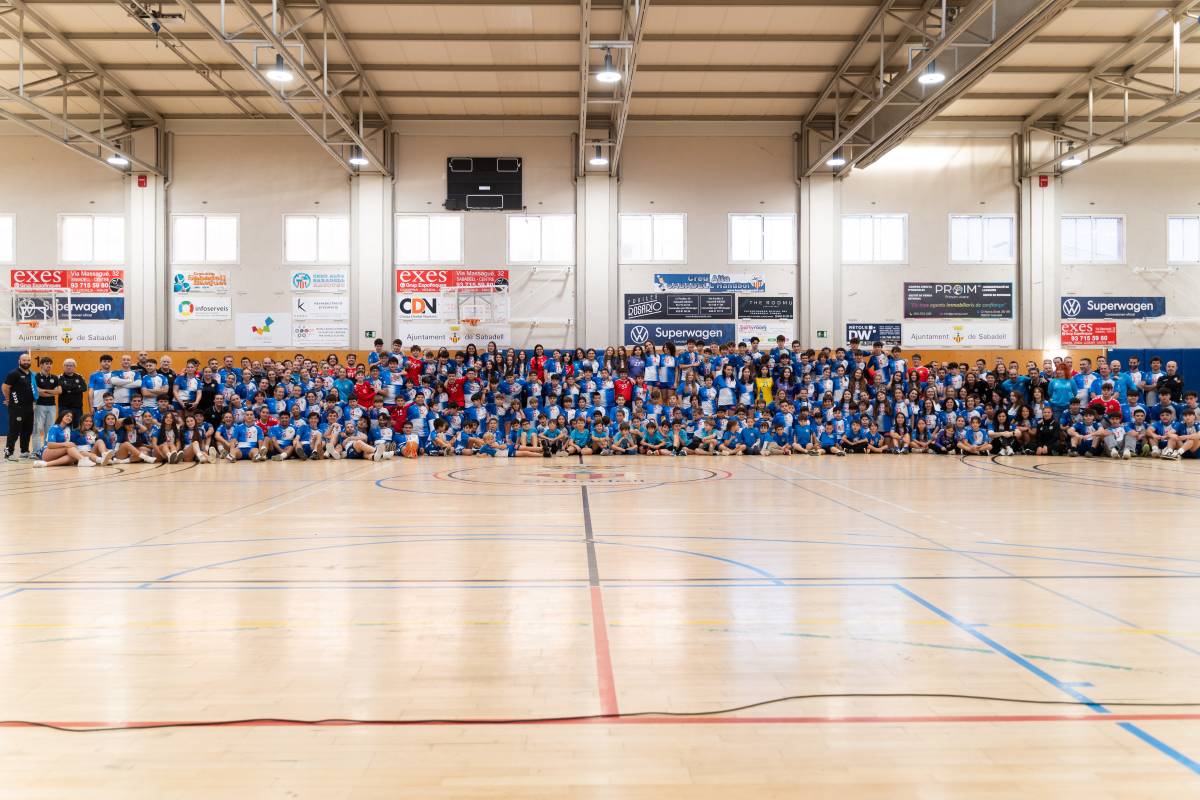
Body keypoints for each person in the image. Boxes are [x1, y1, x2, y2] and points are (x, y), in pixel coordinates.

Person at [3, 353, 37, 460]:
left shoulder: (31, 374)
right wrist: (9, 400)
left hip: (29, 407)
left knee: (27, 430)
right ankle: (8, 453)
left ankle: (24, 451)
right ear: (19, 361)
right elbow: (5, 387)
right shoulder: (14, 373)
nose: (26, 362)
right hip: (17, 408)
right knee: (14, 430)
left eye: (28, 360)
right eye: (24, 360)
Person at [32, 357, 61, 449]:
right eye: (46, 363)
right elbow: (37, 392)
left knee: (49, 430)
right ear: (41, 365)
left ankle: (46, 449)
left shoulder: (55, 377)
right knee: (37, 429)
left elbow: (59, 391)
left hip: (52, 406)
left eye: (50, 363)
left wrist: (44, 391)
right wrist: (52, 392)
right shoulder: (36, 377)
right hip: (39, 405)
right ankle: (36, 451)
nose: (49, 365)